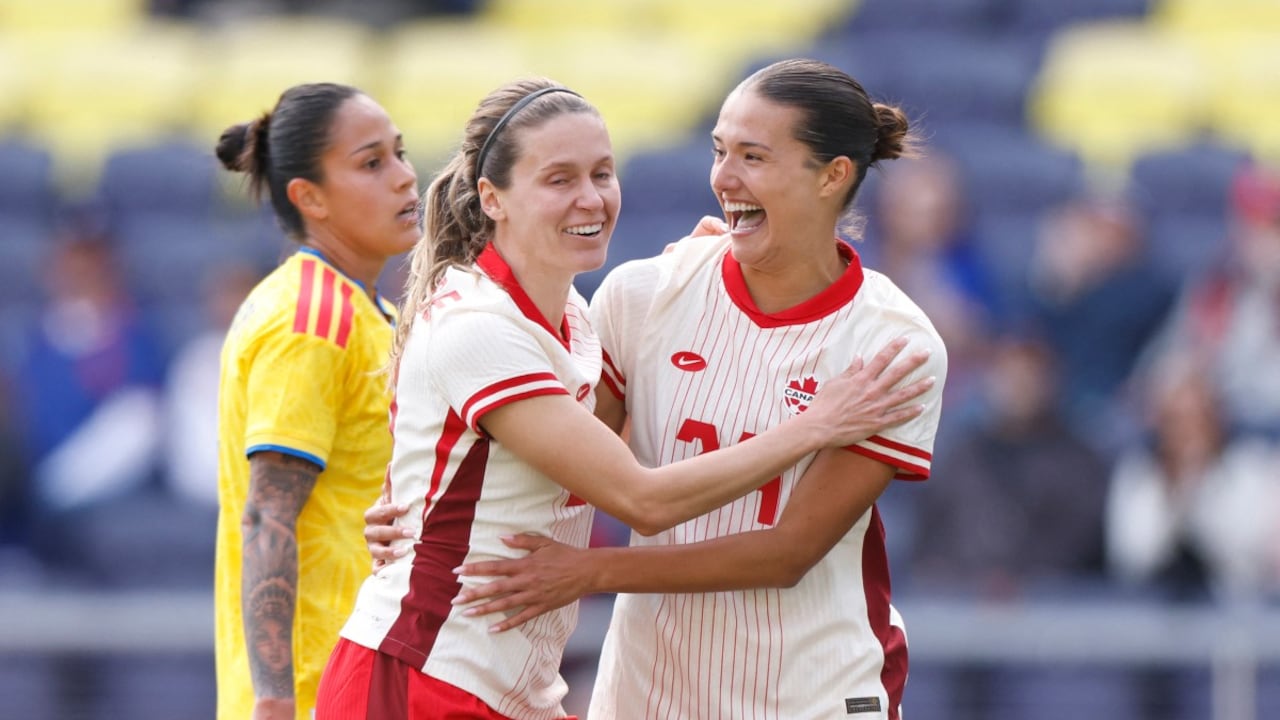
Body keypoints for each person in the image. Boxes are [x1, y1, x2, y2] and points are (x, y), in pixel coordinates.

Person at [316, 75, 936, 720]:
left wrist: (413, 508)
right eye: (559, 179)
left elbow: (786, 549)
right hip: (428, 671)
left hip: (795, 691)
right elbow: (639, 497)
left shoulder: (590, 315)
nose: (591, 198)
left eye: (603, 174)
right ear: (491, 198)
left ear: (832, 176)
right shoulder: (491, 323)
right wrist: (815, 424)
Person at [212, 82, 420, 720]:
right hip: (315, 691)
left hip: (370, 674)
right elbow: (268, 517)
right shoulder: (310, 320)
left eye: (400, 152)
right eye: (371, 163)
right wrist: (276, 700)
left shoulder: (370, 311)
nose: (406, 178)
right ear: (310, 198)